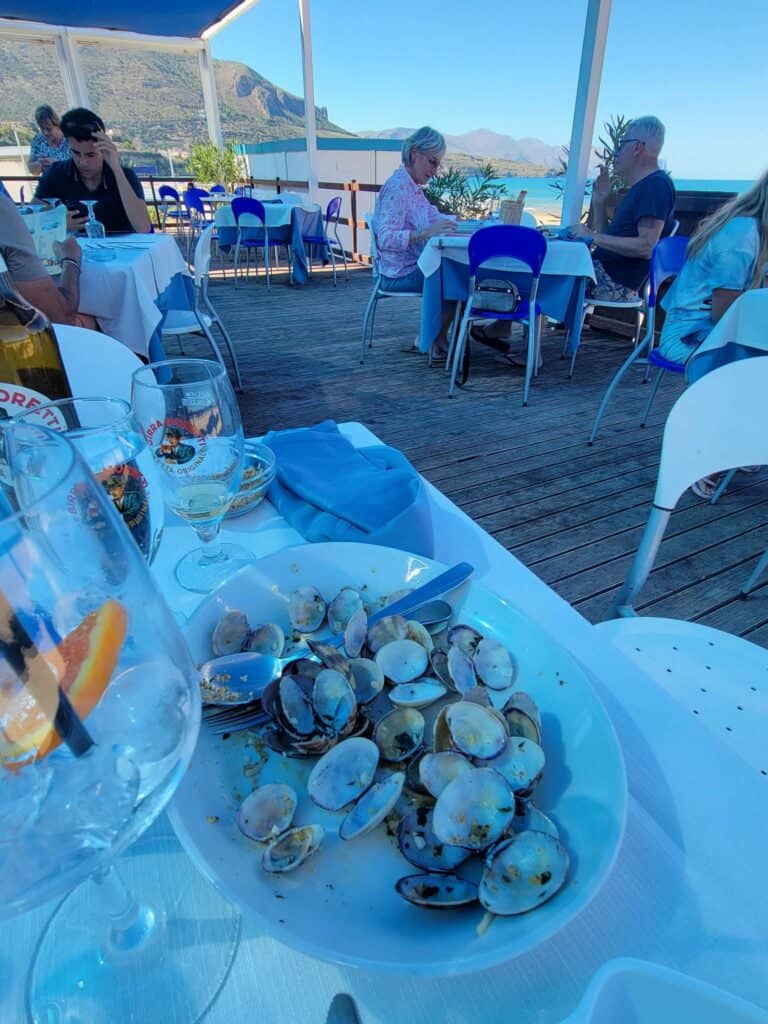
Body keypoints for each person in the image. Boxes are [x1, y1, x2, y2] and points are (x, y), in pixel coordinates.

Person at [657, 171, 768, 499]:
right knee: (751, 367)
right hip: (687, 334)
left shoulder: (754, 230)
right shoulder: (742, 235)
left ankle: (743, 442)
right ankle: (706, 453)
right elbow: (724, 315)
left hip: (718, 329)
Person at [567, 116, 676, 301]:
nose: (616, 153)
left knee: (542, 272)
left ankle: (517, 326)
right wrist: (600, 203)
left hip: (614, 283)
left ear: (637, 148)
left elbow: (646, 247)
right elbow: (609, 243)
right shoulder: (644, 187)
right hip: (604, 273)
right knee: (541, 267)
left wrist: (591, 235)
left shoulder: (655, 186)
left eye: (621, 145)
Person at [372, 127, 457, 354]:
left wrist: (469, 223)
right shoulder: (398, 188)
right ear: (414, 154)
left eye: (437, 164)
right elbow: (386, 238)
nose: (435, 170)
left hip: (413, 266)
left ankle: (434, 339)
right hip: (397, 273)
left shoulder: (413, 188)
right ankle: (432, 340)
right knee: (456, 278)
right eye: (432, 162)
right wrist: (425, 233)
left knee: (456, 276)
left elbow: (434, 216)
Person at [34, 108, 152, 235]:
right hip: (79, 252)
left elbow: (143, 227)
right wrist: (57, 221)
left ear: (103, 149)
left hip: (127, 250)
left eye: (90, 155)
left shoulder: (126, 175)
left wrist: (117, 169)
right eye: (76, 153)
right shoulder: (57, 173)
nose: (83, 162)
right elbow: (31, 215)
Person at [0, 193, 95, 328]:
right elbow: (62, 318)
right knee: (100, 320)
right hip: (11, 338)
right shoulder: (3, 210)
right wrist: (71, 259)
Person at [27, 105, 70, 176]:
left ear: (57, 125)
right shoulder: (38, 140)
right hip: (48, 183)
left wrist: (56, 164)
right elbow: (32, 170)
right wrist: (40, 164)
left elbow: (79, 166)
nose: (45, 133)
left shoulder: (70, 138)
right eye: (42, 128)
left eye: (49, 129)